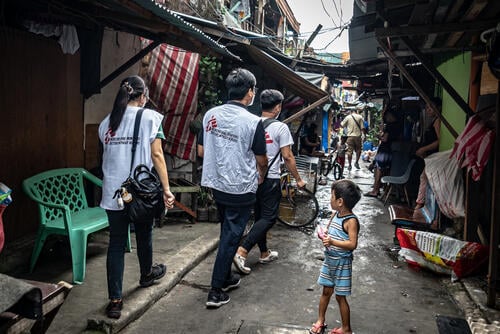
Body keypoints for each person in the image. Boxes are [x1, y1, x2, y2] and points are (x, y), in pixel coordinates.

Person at [98, 75, 176, 319]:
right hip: (141, 193)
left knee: (116, 244)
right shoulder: (151, 118)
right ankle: (145, 276)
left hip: (113, 192)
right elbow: (157, 155)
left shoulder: (106, 122)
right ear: (143, 96)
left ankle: (115, 300)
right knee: (145, 234)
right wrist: (166, 189)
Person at [197, 68, 268, 308]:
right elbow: (261, 159)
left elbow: (201, 151)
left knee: (227, 231)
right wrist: (261, 176)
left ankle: (226, 278)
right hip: (240, 187)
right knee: (231, 236)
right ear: (250, 92)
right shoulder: (253, 121)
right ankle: (215, 291)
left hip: (217, 185)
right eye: (254, 89)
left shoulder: (210, 114)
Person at [233, 89, 306, 275]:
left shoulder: (252, 123)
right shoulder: (280, 128)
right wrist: (298, 179)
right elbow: (287, 157)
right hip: (270, 178)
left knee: (260, 217)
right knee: (269, 217)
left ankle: (264, 253)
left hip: (251, 178)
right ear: (278, 107)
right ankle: (242, 251)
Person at [309, 179, 361, 334]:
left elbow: (352, 244)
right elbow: (331, 231)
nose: (329, 199)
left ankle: (346, 328)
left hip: (342, 263)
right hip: (330, 260)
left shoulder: (351, 221)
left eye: (332, 197)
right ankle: (320, 320)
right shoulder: (335, 214)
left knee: (340, 297)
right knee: (326, 291)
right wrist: (324, 234)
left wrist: (332, 241)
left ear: (340, 201)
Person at [364, 107, 401, 197]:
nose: (386, 118)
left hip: (385, 150)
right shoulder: (398, 125)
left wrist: (378, 136)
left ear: (390, 115)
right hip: (390, 150)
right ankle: (377, 188)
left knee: (379, 169)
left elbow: (385, 139)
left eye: (387, 116)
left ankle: (375, 190)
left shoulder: (390, 126)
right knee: (380, 168)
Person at [414, 97, 441, 209]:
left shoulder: (438, 121)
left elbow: (439, 141)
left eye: (431, 107)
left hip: (435, 156)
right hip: (430, 156)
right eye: (427, 107)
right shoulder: (434, 121)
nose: (428, 110)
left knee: (424, 177)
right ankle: (421, 204)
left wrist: (424, 149)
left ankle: (420, 204)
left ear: (438, 108)